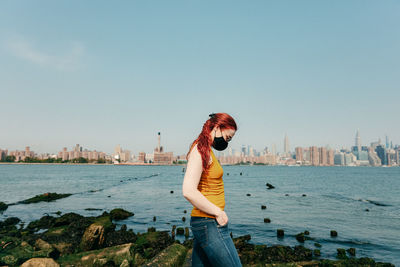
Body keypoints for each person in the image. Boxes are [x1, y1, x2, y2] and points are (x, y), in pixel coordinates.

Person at [182, 112, 242, 267]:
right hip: (209, 222)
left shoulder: (206, 150)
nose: (226, 142)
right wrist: (218, 212)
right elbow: (188, 190)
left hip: (205, 223)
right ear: (216, 127)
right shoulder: (199, 150)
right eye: (227, 137)